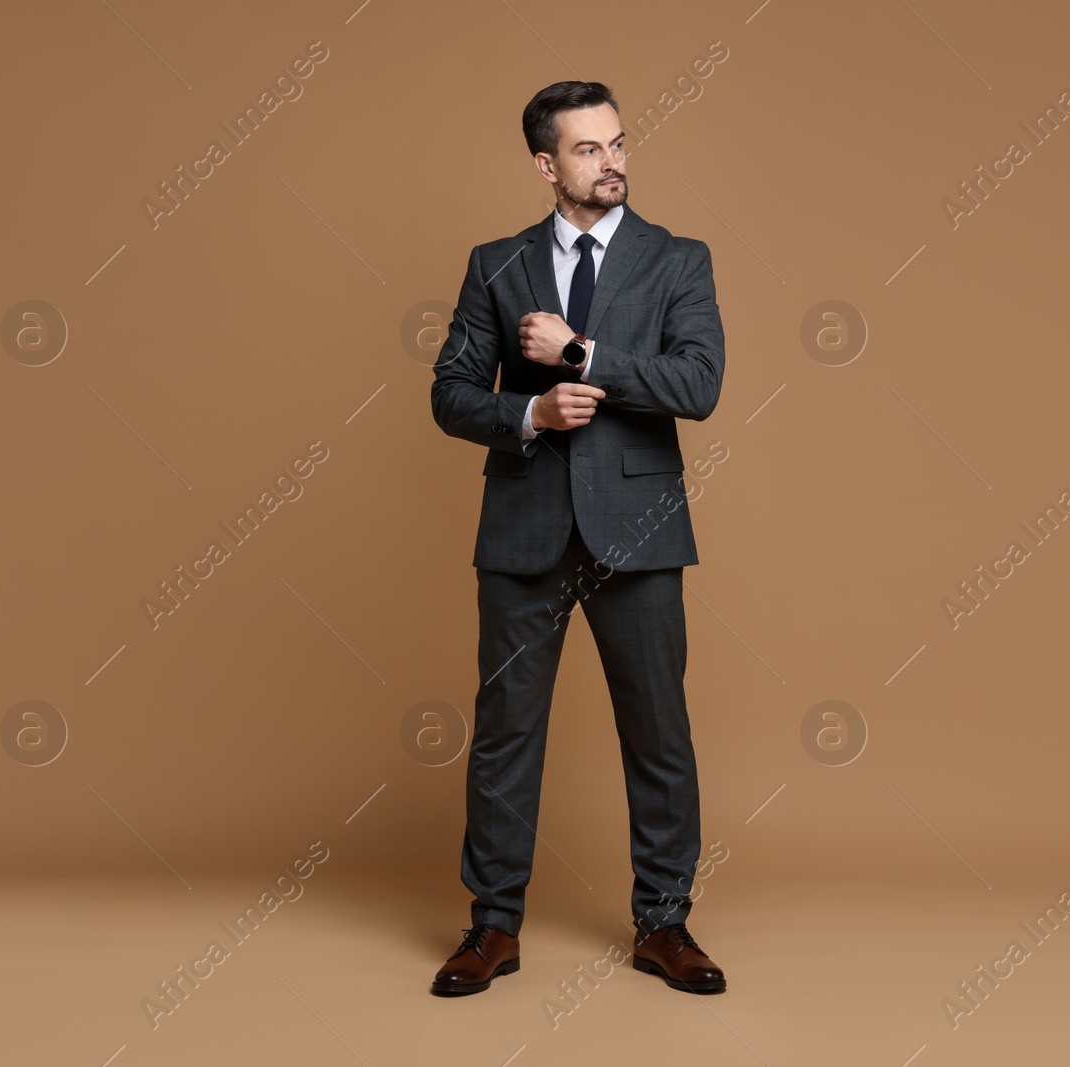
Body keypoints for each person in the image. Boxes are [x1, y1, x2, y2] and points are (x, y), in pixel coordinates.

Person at [427, 80, 726, 996]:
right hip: (524, 525)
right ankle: (492, 925)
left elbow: (698, 383)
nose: (614, 161)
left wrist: (582, 356)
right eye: (590, 150)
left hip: (639, 526)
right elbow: (449, 390)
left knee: (658, 731)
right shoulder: (495, 263)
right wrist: (531, 409)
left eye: (619, 142)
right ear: (547, 165)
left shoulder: (677, 258)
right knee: (505, 732)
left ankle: (665, 923)